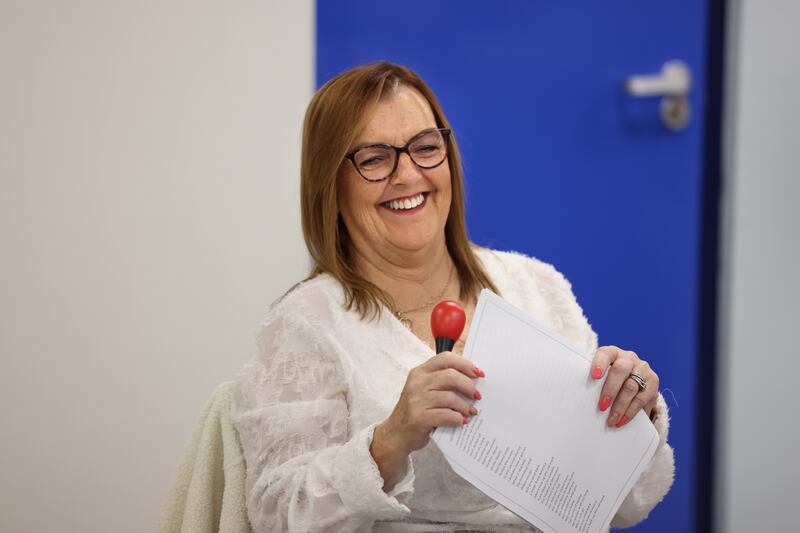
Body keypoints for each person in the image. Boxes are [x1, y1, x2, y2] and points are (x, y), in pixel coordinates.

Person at [231, 62, 674, 532]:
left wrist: (633, 410)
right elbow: (276, 515)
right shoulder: (306, 324)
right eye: (375, 158)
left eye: (425, 148)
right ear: (330, 183)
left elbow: (624, 505)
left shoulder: (536, 286)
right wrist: (387, 443)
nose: (407, 174)